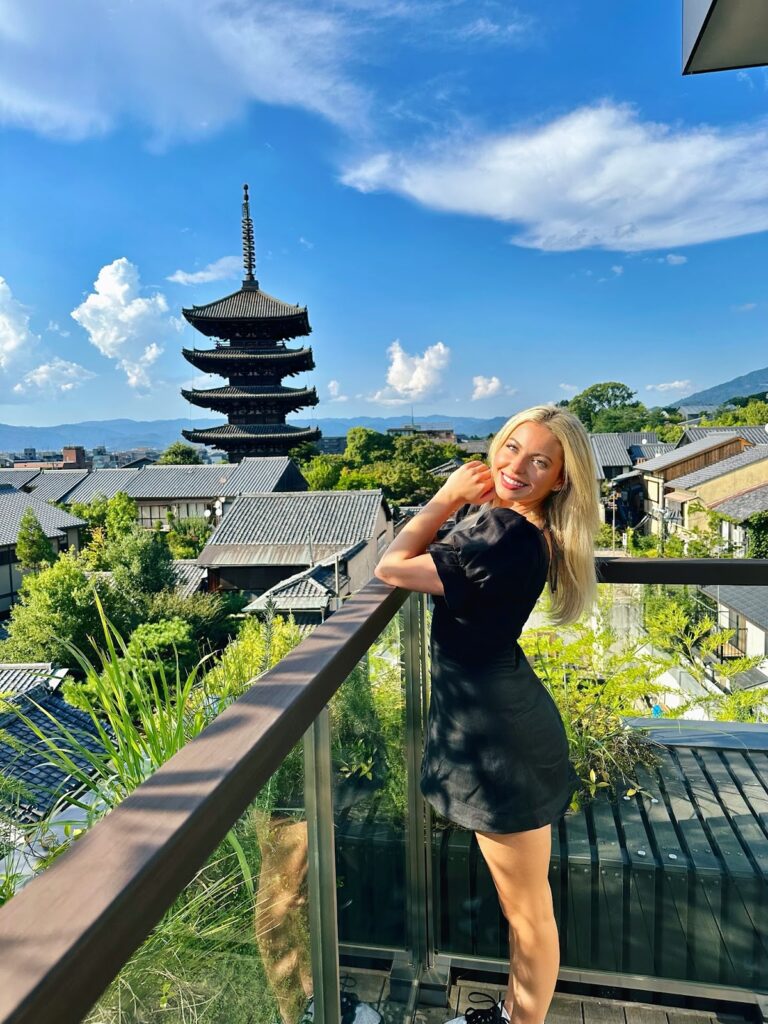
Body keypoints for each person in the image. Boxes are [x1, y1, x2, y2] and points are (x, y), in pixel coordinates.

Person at [374, 404, 601, 1024]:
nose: (516, 467)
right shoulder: (515, 528)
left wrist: (446, 494)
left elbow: (389, 566)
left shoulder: (500, 533)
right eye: (510, 448)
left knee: (528, 913)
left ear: (561, 479)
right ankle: (508, 1015)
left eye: (539, 461)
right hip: (502, 721)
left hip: (498, 741)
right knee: (524, 907)